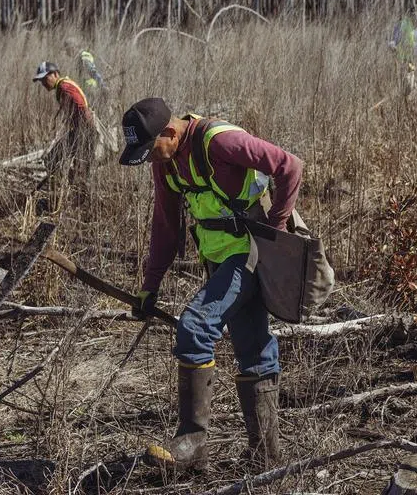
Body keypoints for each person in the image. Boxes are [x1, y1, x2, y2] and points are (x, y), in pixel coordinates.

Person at [119, 97, 303, 470]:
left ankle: (192, 443)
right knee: (253, 347)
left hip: (249, 254)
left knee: (195, 327)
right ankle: (266, 456)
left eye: (151, 149)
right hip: (218, 260)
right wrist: (149, 285)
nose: (150, 159)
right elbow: (166, 228)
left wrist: (277, 230)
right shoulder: (168, 164)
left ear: (170, 131)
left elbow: (289, 166)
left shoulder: (218, 141)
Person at [33, 61, 97, 180]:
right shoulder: (62, 87)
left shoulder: (64, 87)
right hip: (81, 130)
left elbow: (82, 108)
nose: (43, 83)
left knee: (77, 168)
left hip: (84, 131)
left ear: (55, 74)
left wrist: (85, 136)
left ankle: (65, 190)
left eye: (45, 78)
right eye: (41, 81)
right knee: (53, 159)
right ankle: (61, 189)